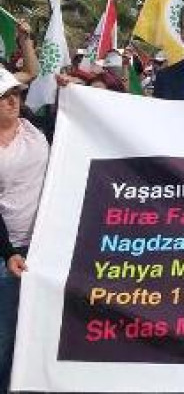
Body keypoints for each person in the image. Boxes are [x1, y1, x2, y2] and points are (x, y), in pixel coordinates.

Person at [0, 67, 49, 392]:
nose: (12, 101)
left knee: (37, 331)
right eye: (4, 96)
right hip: (8, 253)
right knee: (4, 336)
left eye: (15, 94)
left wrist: (71, 92)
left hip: (44, 246)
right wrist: (8, 253)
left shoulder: (34, 127)